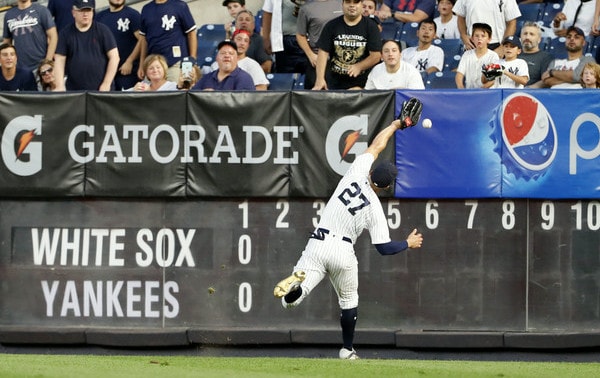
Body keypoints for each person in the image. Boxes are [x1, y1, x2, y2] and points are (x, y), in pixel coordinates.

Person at [273, 98, 424, 360]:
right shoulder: (375, 208)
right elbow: (383, 248)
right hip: (343, 251)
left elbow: (377, 146)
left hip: (318, 243)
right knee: (349, 300)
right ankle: (347, 349)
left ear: (372, 172)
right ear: (387, 186)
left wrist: (396, 125)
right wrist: (407, 244)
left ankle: (294, 294)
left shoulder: (355, 172)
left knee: (292, 301)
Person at [313, 0, 382, 90]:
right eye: (348, 2)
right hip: (335, 83)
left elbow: (376, 56)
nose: (352, 6)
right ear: (342, 4)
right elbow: (323, 53)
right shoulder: (331, 25)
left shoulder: (371, 26)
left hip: (362, 85)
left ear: (361, 5)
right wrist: (320, 79)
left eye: (355, 2)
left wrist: (359, 66)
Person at [53, 0, 120, 91]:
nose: (85, 14)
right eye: (81, 10)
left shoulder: (103, 30)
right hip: (75, 92)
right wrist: (60, 85)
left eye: (88, 10)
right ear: (73, 12)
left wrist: (106, 83)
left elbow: (115, 58)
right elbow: (59, 60)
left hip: (102, 91)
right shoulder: (65, 33)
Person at [138, 0, 197, 83]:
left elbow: (191, 33)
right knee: (149, 94)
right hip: (153, 65)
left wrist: (192, 58)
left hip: (176, 63)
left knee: (178, 93)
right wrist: (142, 65)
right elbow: (144, 39)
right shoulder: (146, 9)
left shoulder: (180, 6)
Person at [96, 0, 142, 91]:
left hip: (126, 72)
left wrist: (130, 61)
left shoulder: (133, 15)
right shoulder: (99, 17)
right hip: (105, 73)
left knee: (126, 102)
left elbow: (142, 40)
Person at [295, 0, 341, 89]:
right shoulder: (306, 8)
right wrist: (310, 55)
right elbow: (300, 35)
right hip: (318, 60)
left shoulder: (343, 3)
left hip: (341, 60)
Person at [2, 0, 58, 72]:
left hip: (41, 66)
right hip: (20, 68)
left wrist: (47, 61)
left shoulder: (42, 10)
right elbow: (6, 44)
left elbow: (53, 36)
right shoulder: (9, 15)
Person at [453, 0, 521, 54]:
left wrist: (502, 47)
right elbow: (461, 17)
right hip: (473, 44)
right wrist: (463, 36)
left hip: (497, 43)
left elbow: (512, 23)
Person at [262, 0, 308, 73]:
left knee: (309, 77)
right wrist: (266, 39)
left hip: (308, 41)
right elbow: (268, 12)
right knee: (284, 77)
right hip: (284, 41)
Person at [455, 22, 499, 88]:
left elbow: (493, 80)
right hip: (469, 92)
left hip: (487, 92)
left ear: (489, 39)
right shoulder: (467, 54)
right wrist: (461, 88)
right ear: (472, 38)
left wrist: (480, 90)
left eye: (483, 36)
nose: (479, 38)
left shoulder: (493, 56)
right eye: (476, 36)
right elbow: (459, 74)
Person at [518, 21, 554, 87]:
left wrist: (528, 89)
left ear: (539, 39)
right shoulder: (513, 55)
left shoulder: (546, 57)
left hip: (532, 95)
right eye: (525, 34)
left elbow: (546, 80)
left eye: (531, 34)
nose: (527, 37)